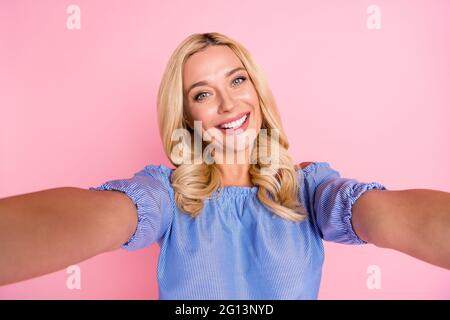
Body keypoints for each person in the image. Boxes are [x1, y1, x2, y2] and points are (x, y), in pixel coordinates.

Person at [0, 32, 449, 299]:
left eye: (237, 80)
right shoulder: (166, 195)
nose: (228, 103)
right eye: (202, 93)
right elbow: (99, 215)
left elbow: (385, 215)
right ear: (187, 117)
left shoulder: (310, 189)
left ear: (256, 90)